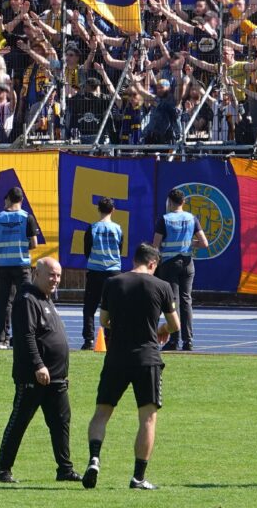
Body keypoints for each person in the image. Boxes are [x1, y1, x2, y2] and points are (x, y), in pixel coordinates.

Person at [82, 242, 179, 491]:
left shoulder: (113, 282)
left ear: (134, 259)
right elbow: (175, 325)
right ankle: (138, 477)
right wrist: (161, 330)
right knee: (147, 418)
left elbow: (103, 320)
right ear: (153, 263)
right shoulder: (163, 286)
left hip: (116, 357)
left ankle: (94, 458)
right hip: (147, 358)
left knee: (102, 413)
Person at [0, 259, 80, 484]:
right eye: (51, 275)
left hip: (57, 378)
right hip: (35, 377)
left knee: (61, 422)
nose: (56, 280)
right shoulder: (27, 299)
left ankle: (65, 469)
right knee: (20, 421)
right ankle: (3, 469)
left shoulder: (46, 300)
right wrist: (38, 365)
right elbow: (26, 337)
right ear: (37, 273)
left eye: (59, 276)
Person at [154, 189, 208, 351]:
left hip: (169, 263)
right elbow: (204, 243)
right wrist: (191, 243)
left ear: (170, 202)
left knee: (173, 302)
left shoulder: (165, 219)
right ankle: (188, 340)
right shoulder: (192, 218)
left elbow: (155, 246)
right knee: (186, 301)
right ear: (183, 202)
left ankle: (174, 340)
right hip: (187, 262)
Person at [0, 187, 38, 349]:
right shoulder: (27, 218)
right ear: (21, 200)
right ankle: (23, 337)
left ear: (8, 199)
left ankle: (1, 339)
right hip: (21, 264)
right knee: (25, 301)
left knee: (3, 303)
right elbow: (34, 244)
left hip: (3, 264)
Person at [80, 197, 124, 351]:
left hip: (96, 271)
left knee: (90, 307)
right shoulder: (118, 229)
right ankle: (111, 338)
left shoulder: (92, 228)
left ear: (98, 209)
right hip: (114, 272)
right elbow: (120, 248)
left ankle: (89, 339)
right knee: (113, 306)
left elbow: (87, 251)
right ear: (113, 210)